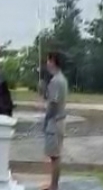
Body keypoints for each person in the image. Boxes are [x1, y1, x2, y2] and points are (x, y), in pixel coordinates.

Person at [39, 51, 68, 190]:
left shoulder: (57, 80)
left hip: (55, 122)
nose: (47, 63)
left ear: (54, 62)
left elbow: (53, 104)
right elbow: (50, 98)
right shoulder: (59, 79)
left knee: (55, 156)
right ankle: (53, 185)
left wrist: (46, 120)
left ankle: (54, 186)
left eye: (48, 60)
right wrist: (44, 90)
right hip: (59, 121)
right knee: (54, 155)